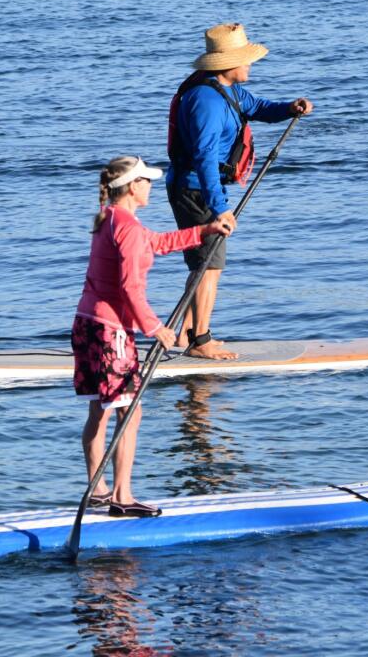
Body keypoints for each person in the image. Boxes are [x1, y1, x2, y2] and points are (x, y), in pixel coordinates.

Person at [72, 155, 234, 517]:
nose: (151, 186)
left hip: (86, 322)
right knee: (130, 411)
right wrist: (156, 329)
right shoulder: (126, 227)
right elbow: (130, 288)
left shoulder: (109, 219)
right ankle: (122, 496)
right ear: (133, 187)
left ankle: (96, 489)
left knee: (100, 408)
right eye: (145, 181)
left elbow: (158, 243)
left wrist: (204, 231)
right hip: (111, 331)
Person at [166, 22, 314, 359]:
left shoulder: (227, 90)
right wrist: (219, 207)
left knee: (202, 264)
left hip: (199, 188)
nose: (250, 65)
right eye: (245, 60)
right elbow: (204, 157)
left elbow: (258, 107)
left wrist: (290, 108)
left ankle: (183, 335)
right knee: (210, 265)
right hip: (195, 191)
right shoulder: (206, 101)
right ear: (227, 64)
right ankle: (200, 341)